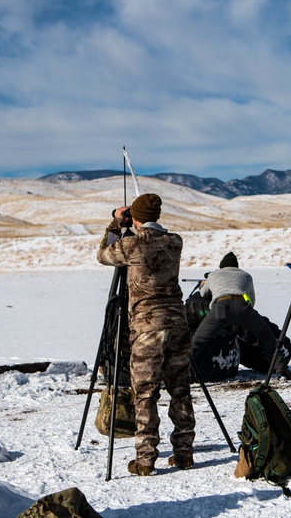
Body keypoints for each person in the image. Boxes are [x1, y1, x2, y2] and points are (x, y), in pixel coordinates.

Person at [96, 194, 195, 477]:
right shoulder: (175, 241)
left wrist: (117, 223)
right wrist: (137, 220)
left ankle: (146, 459)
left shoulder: (131, 245)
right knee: (180, 389)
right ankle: (184, 453)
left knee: (145, 393)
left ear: (136, 216)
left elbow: (103, 254)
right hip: (178, 323)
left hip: (147, 328)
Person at [191, 252, 291, 380]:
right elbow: (251, 299)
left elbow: (203, 294)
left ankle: (182, 371)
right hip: (242, 307)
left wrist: (203, 284)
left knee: (198, 340)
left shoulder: (214, 275)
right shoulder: (246, 276)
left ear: (222, 266)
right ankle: (282, 370)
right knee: (266, 335)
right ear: (236, 266)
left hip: (221, 308)